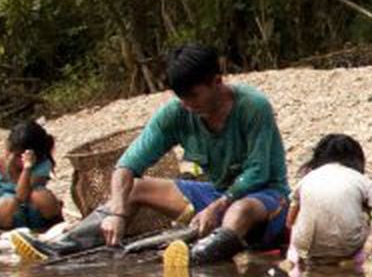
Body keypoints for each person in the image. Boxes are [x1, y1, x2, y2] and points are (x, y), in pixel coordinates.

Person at [21, 44, 290, 265]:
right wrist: (117, 213)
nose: (187, 105)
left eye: (194, 96)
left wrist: (217, 206)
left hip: (263, 199)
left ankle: (197, 260)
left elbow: (258, 172)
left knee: (239, 209)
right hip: (216, 195)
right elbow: (126, 166)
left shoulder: (253, 107)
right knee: (135, 188)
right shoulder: (177, 113)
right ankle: (64, 247)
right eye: (181, 97)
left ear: (217, 82)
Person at [286, 133, 372, 269]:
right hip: (346, 247)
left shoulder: (308, 178)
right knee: (365, 209)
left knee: (299, 212)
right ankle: (354, 259)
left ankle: (297, 259)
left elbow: (289, 222)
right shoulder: (360, 179)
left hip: (307, 247)